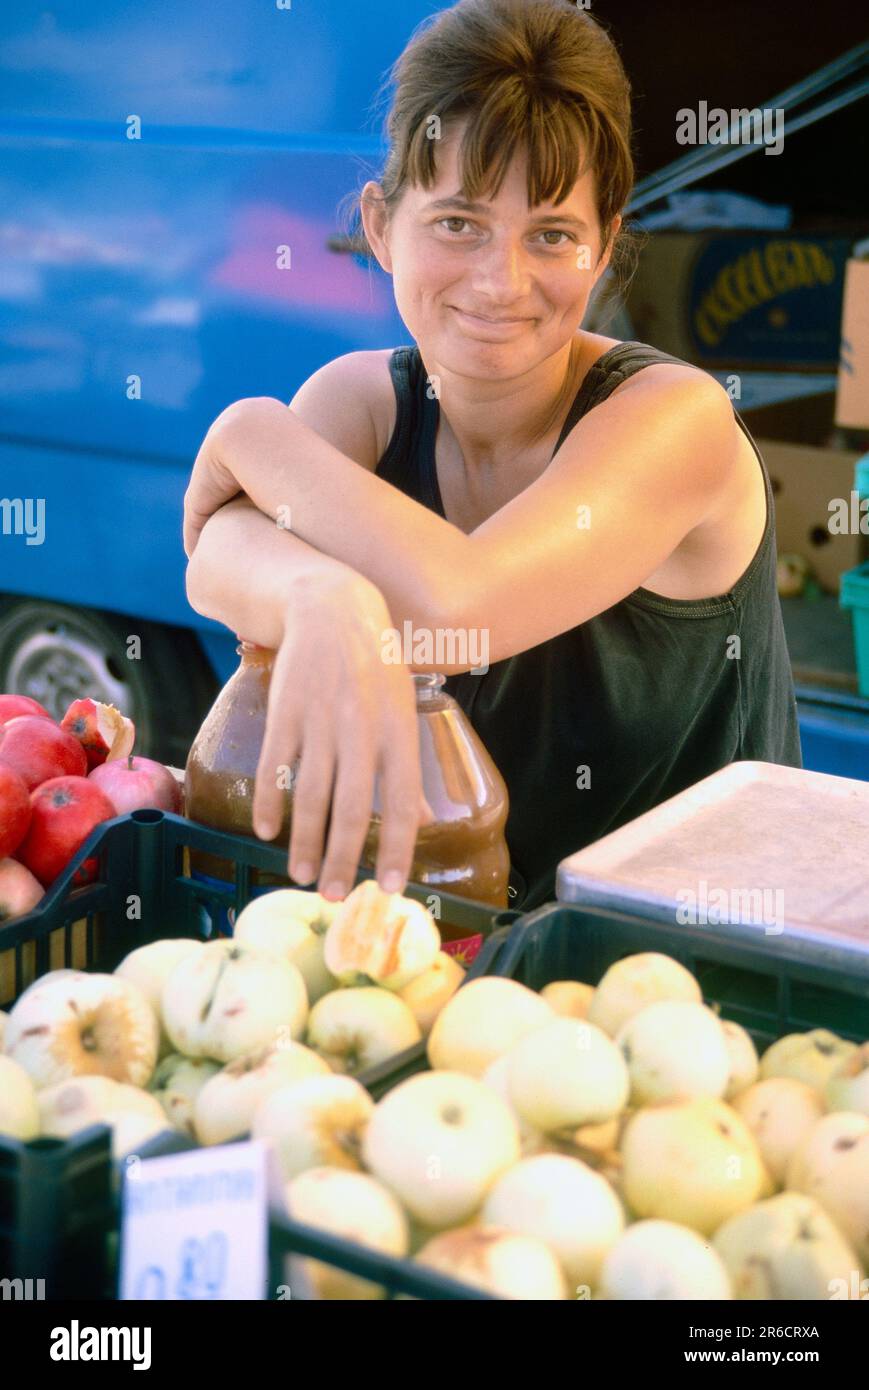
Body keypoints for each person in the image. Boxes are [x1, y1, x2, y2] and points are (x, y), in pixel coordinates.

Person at [183, 0, 801, 910]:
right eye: (458, 223)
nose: (498, 281)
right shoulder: (362, 403)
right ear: (381, 225)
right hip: (458, 974)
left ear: (602, 249)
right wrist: (320, 594)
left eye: (550, 233)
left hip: (702, 977)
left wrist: (245, 429)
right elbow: (220, 556)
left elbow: (458, 608)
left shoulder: (675, 421)